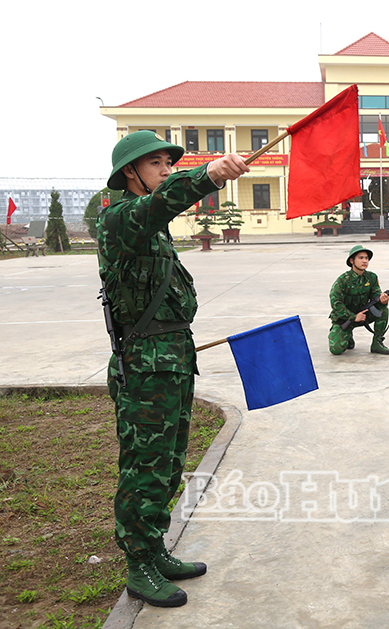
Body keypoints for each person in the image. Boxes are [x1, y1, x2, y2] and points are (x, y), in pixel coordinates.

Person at [97, 130, 248, 607]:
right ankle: (138, 563)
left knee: (168, 462)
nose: (165, 170)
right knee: (144, 465)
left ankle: (155, 547)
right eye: (157, 163)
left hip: (173, 361)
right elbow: (156, 207)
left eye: (169, 162)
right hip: (144, 368)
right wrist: (206, 176)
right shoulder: (120, 218)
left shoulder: (150, 227)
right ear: (130, 173)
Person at [328, 245, 389, 355]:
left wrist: (383, 300)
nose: (364, 261)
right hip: (345, 318)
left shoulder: (371, 277)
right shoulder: (342, 280)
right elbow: (336, 303)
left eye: (366, 258)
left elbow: (376, 295)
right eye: (361, 258)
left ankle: (377, 343)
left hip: (364, 314)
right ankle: (347, 335)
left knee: (382, 309)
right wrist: (353, 317)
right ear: (351, 261)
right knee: (336, 350)